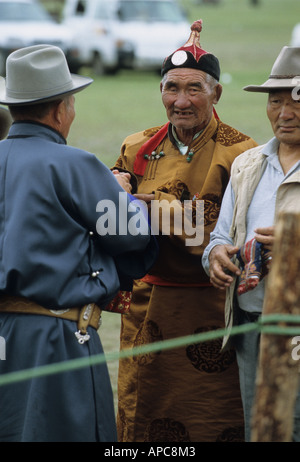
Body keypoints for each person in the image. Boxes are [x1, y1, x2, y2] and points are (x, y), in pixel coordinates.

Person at [0, 44, 157, 442]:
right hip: (55, 334)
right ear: (59, 111)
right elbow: (130, 233)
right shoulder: (75, 164)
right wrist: (124, 195)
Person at [113, 19, 257, 442]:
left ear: (216, 92)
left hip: (209, 308)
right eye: (171, 88)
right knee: (142, 413)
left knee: (212, 414)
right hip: (147, 306)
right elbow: (108, 216)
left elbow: (216, 230)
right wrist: (111, 185)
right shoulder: (137, 146)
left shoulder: (241, 152)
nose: (180, 101)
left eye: (194, 88)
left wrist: (141, 204)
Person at [202, 46, 300, 442]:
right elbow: (221, 235)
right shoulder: (248, 164)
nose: (285, 113)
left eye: (296, 101)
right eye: (275, 101)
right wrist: (216, 256)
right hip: (251, 323)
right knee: (259, 426)